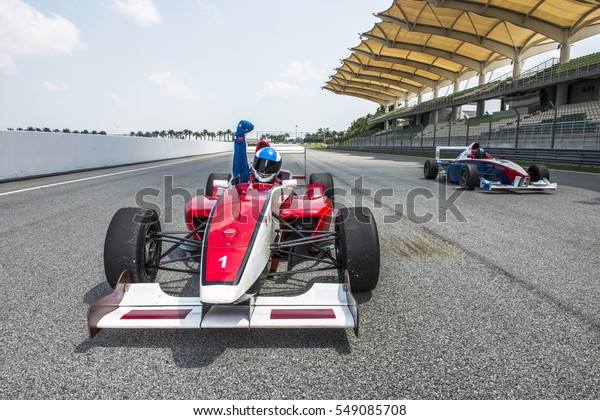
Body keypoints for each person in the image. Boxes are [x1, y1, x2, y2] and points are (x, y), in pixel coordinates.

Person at [232, 120, 282, 184]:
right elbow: (239, 160)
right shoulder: (246, 179)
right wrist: (240, 137)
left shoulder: (281, 185)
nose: (264, 171)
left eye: (270, 166)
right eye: (261, 163)